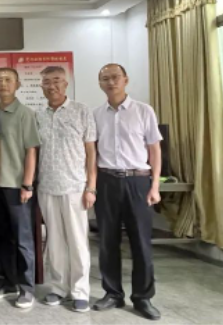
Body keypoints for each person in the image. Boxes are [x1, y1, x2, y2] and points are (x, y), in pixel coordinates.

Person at [93, 64, 162, 321]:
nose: (111, 82)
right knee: (107, 241)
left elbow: (154, 150)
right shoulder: (96, 114)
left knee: (140, 243)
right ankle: (112, 293)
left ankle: (143, 297)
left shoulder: (144, 110)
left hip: (138, 181)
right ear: (100, 83)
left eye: (115, 77)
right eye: (105, 78)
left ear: (125, 80)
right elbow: (93, 152)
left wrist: (155, 186)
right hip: (106, 181)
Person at [36, 66, 97, 313]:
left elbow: (91, 152)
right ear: (41, 86)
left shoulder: (82, 111)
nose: (52, 86)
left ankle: (80, 291)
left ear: (66, 83)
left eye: (57, 81)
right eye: (47, 82)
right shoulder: (38, 115)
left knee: (78, 241)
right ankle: (58, 287)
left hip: (75, 187)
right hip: (47, 186)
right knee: (55, 242)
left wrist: (91, 186)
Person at [0, 67, 40, 309]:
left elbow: (31, 150)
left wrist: (27, 184)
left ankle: (27, 287)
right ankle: (9, 281)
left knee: (23, 239)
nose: (3, 84)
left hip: (17, 186)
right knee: (2, 237)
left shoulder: (25, 114)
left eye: (8, 80)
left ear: (18, 85)